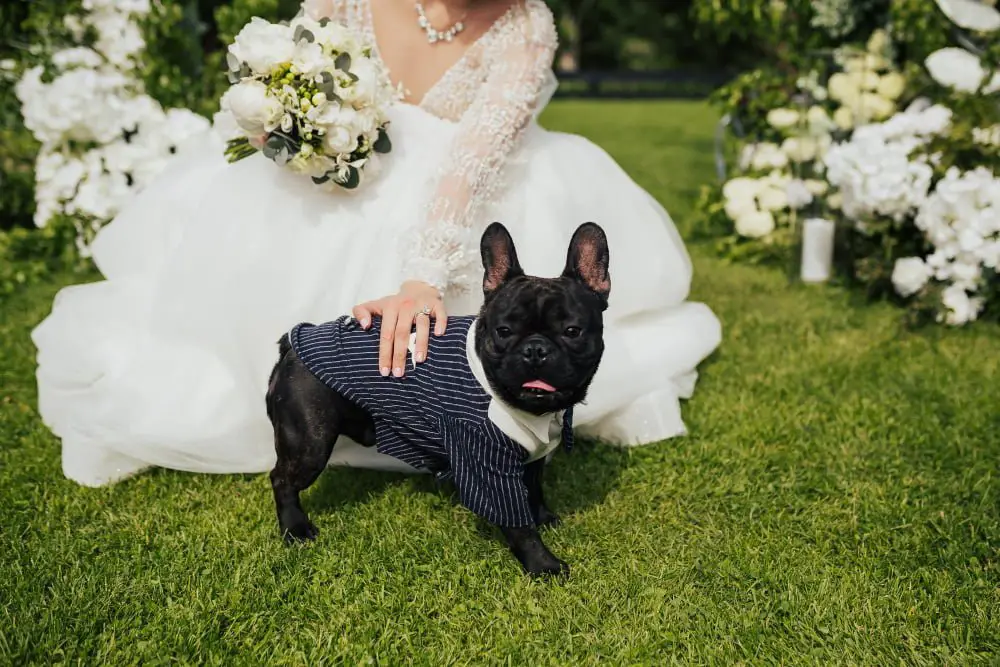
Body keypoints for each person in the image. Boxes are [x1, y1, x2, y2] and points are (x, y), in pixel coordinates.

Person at [31, 0, 722, 487]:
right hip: (335, 176)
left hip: (470, 191)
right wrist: (294, 129)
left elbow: (469, 165)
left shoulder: (526, 26)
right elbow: (293, 69)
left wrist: (422, 276)